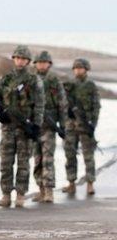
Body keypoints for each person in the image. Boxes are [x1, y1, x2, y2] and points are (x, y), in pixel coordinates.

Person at [0, 45, 44, 208]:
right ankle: (6, 194)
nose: (20, 61)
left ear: (28, 61)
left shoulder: (34, 80)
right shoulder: (6, 78)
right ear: (14, 59)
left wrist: (36, 125)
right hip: (7, 128)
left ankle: (20, 194)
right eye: (18, 58)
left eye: (23, 59)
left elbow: (40, 104)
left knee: (23, 163)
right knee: (5, 162)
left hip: (25, 128)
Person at [31, 51, 67, 203]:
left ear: (49, 64)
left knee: (48, 159)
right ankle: (40, 189)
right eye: (39, 62)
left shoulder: (54, 80)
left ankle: (49, 191)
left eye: (44, 62)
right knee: (37, 159)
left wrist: (63, 125)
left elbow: (62, 103)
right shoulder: (31, 79)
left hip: (49, 126)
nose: (41, 65)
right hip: (33, 125)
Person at [62, 58, 101, 195]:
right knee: (70, 154)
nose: (78, 70)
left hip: (85, 125)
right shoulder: (68, 85)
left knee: (88, 155)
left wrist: (93, 124)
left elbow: (96, 106)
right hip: (71, 125)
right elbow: (62, 103)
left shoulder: (91, 85)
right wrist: (66, 112)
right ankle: (71, 182)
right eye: (76, 68)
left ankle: (90, 183)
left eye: (80, 68)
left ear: (86, 69)